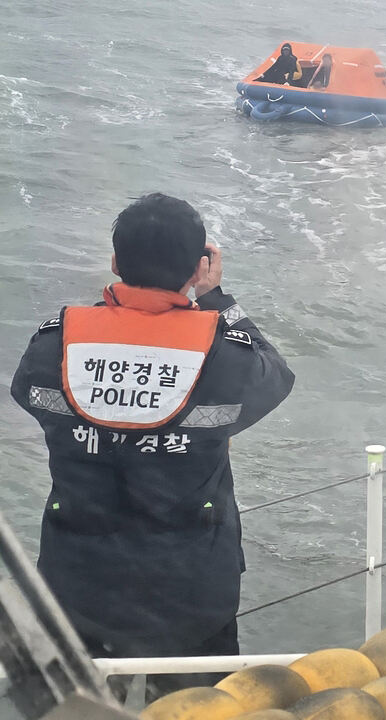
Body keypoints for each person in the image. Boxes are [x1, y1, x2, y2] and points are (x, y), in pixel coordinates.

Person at [9, 193, 295, 696]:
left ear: (115, 262)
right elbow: (277, 378)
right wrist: (217, 298)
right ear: (198, 266)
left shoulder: (56, 342)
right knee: (192, 709)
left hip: (76, 588)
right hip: (189, 593)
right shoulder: (224, 355)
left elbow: (25, 392)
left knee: (79, 709)